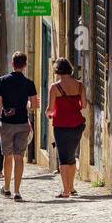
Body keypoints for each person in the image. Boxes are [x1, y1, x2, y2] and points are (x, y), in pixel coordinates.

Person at [0, 52, 39, 202]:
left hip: (6, 123)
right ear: (25, 66)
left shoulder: (2, 80)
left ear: (12, 64)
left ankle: (6, 189)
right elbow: (34, 106)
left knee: (8, 156)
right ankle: (17, 191)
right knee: (19, 157)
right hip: (22, 124)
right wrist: (26, 106)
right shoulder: (29, 83)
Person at [47, 59, 87, 198]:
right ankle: (72, 187)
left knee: (64, 158)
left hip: (61, 125)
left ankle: (65, 191)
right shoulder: (80, 85)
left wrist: (48, 114)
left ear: (57, 70)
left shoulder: (54, 87)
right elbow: (84, 105)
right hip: (77, 125)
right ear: (70, 69)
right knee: (71, 156)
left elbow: (50, 108)